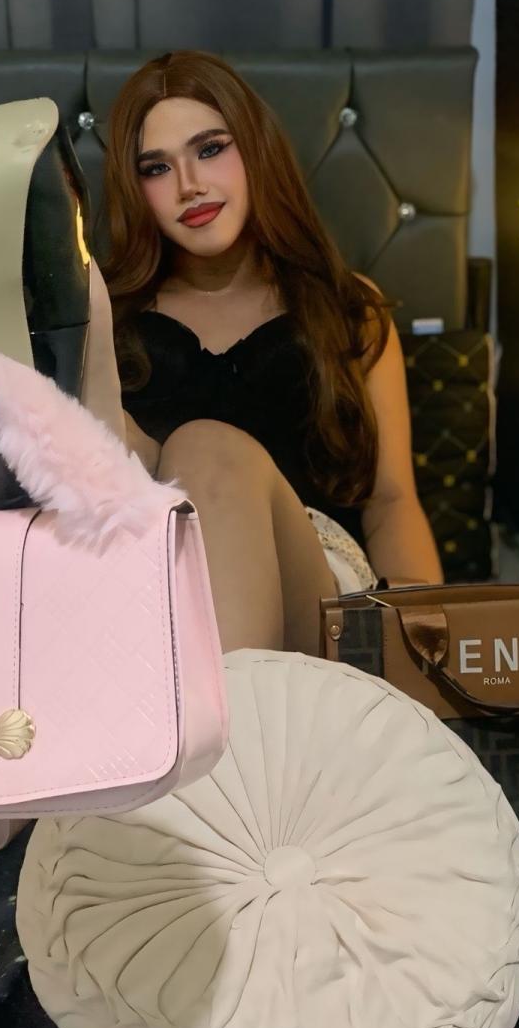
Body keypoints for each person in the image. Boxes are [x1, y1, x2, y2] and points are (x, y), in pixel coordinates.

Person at [91, 50, 443, 656]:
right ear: (135, 188)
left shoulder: (345, 308)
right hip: (158, 603)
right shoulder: (104, 324)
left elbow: (391, 498)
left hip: (321, 603)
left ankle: (231, 716)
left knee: (210, 446)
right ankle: (236, 713)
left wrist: (426, 639)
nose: (189, 185)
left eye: (210, 149)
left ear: (255, 150)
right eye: (157, 167)